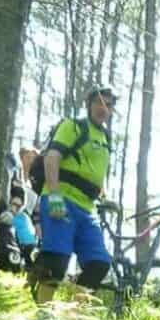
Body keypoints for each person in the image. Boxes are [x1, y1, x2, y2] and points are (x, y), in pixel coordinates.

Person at [28, 85, 117, 304]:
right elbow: (52, 158)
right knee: (56, 261)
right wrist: (55, 195)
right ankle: (42, 315)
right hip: (61, 199)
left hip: (87, 208)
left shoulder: (106, 138)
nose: (103, 108)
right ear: (88, 105)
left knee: (98, 264)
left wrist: (104, 199)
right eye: (98, 102)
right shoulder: (73, 127)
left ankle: (73, 316)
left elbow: (93, 172)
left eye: (109, 105)